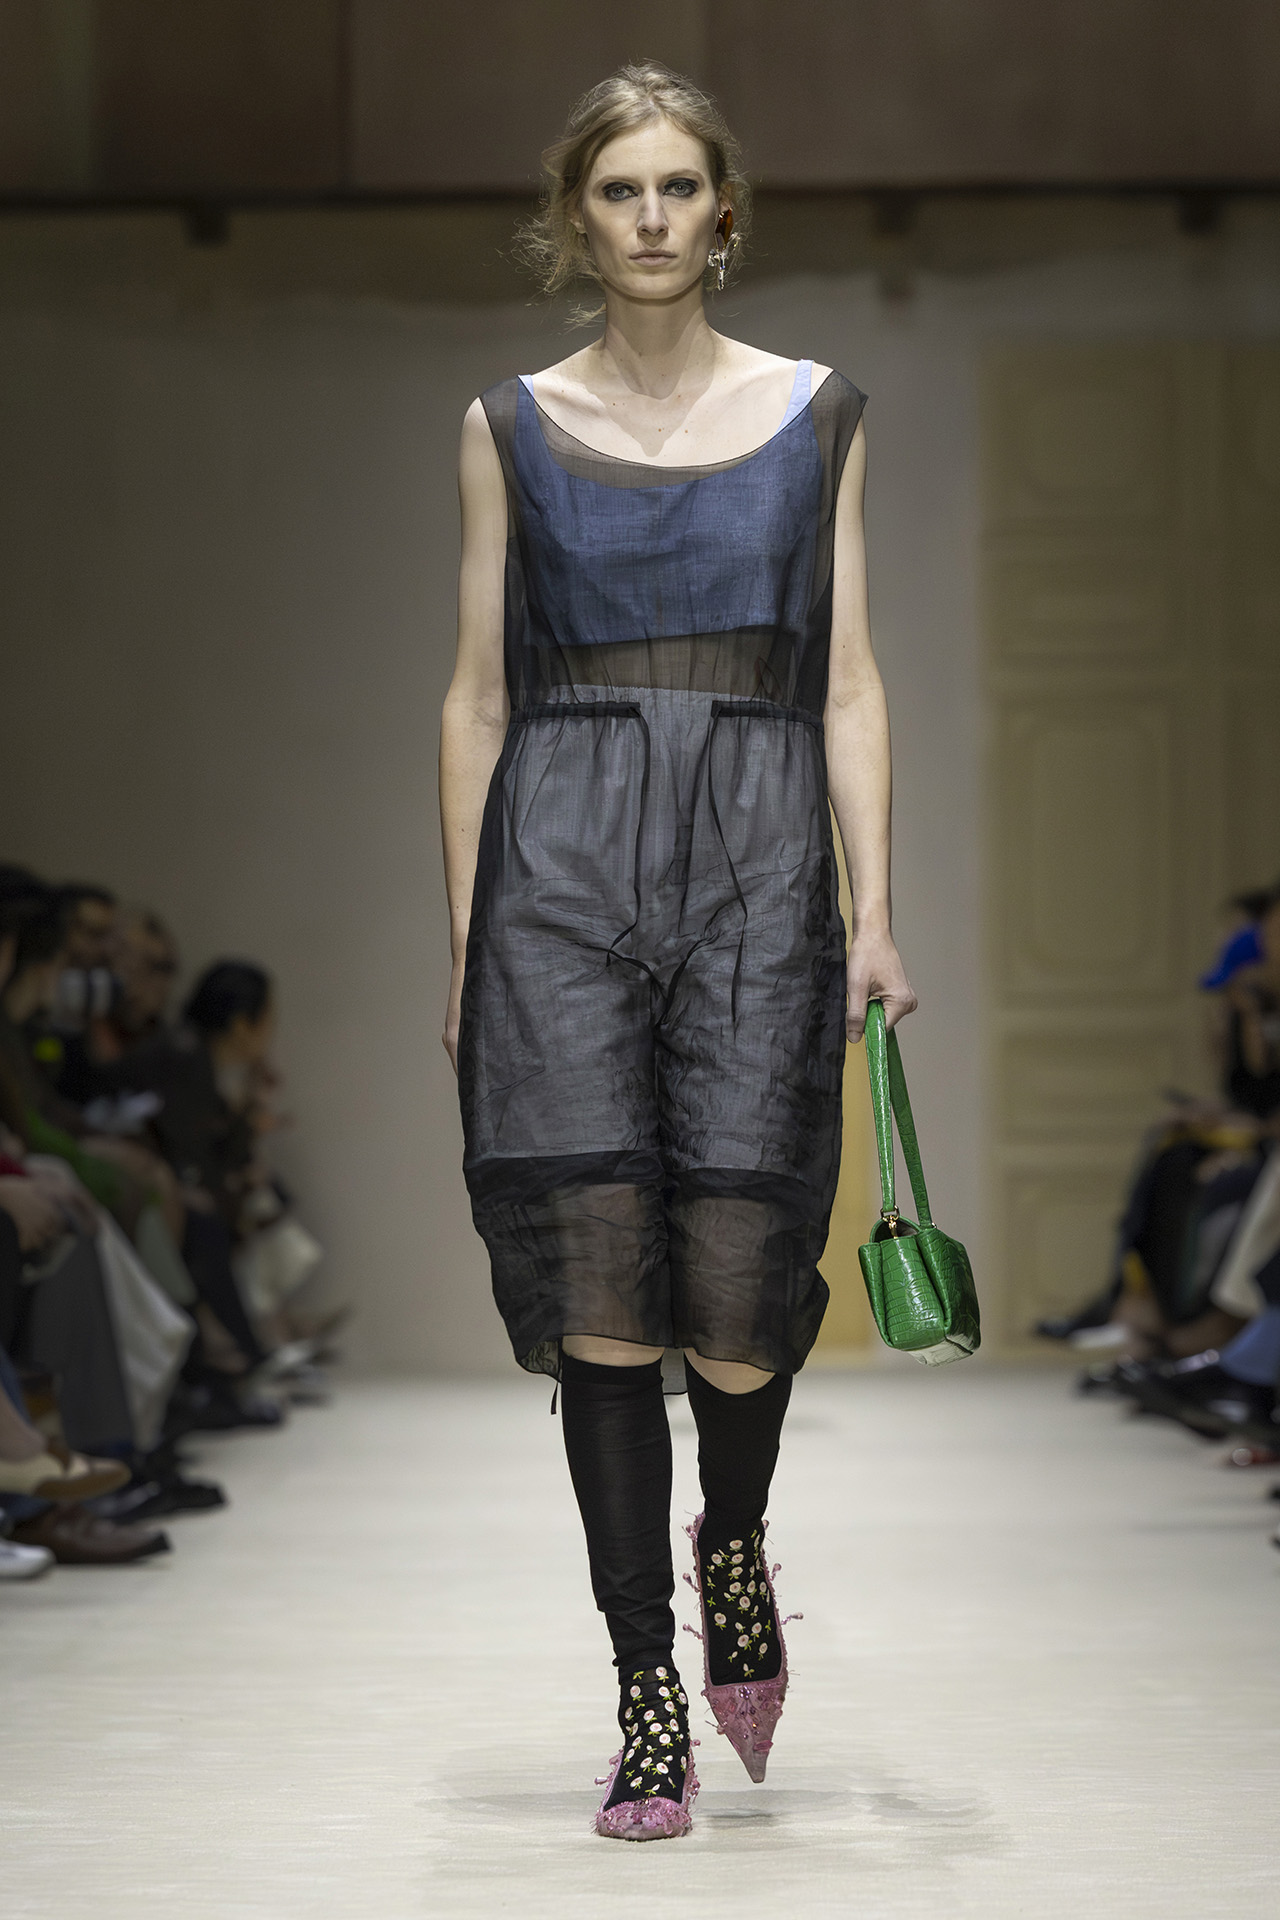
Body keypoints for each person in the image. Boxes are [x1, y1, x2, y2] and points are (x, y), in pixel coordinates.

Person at [439, 64, 915, 1841]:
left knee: (737, 1290)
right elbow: (475, 698)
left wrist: (878, 911)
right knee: (602, 1299)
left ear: (725, 212)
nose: (647, 217)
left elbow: (848, 683)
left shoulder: (817, 413)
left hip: (760, 877)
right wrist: (468, 941)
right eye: (616, 190)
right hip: (557, 885)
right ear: (578, 218)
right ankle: (646, 1691)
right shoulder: (506, 425)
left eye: (675, 187)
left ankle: (735, 1543)